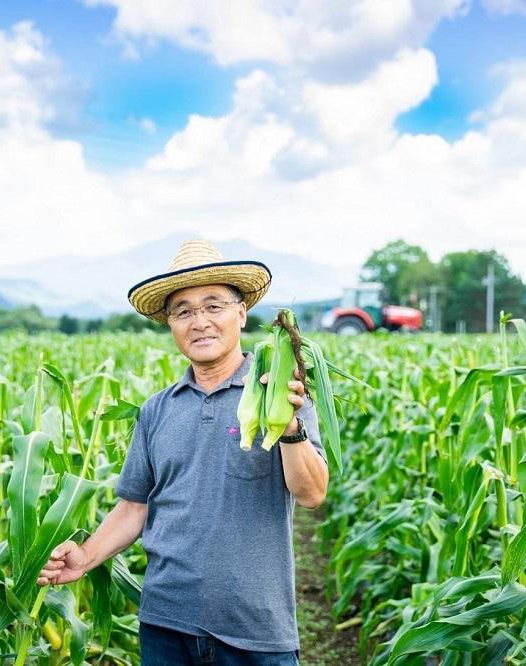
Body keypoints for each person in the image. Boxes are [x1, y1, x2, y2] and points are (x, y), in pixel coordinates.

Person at [37, 239, 329, 665]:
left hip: (255, 631)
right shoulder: (158, 409)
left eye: (214, 306)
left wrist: (288, 427)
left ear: (241, 313)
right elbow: (135, 506)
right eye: (184, 311)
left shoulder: (279, 396)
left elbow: (312, 493)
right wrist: (86, 556)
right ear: (170, 324)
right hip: (165, 624)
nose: (200, 322)